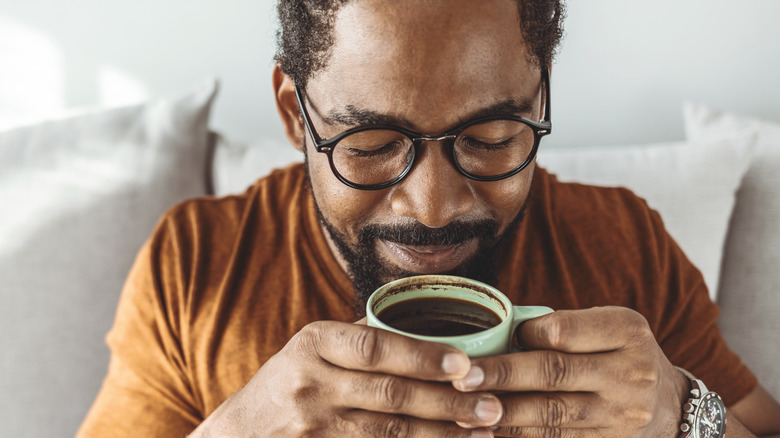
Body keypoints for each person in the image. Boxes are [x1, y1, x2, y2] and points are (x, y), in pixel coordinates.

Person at [78, 0, 780, 437]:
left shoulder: (624, 244)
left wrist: (683, 420)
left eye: (491, 138)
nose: (434, 205)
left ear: (540, 101)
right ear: (295, 115)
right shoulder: (198, 263)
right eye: (374, 146)